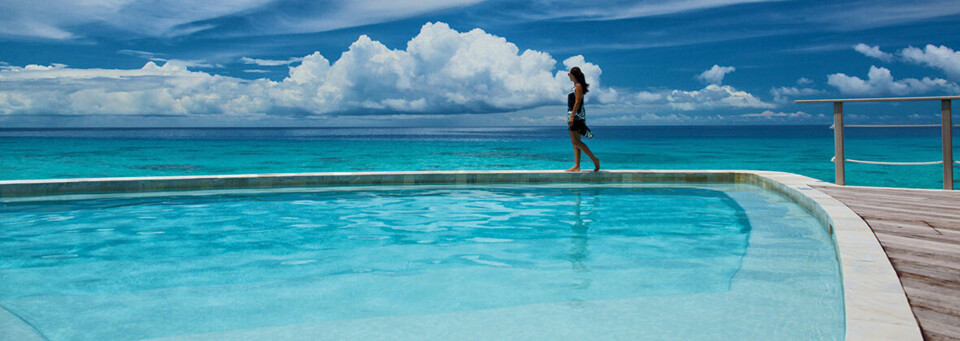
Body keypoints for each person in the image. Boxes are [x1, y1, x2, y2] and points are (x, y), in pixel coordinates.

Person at [565, 67, 600, 172]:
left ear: (574, 75)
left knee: (575, 142)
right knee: (576, 142)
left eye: (570, 73)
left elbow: (577, 102)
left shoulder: (578, 87)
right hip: (573, 115)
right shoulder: (575, 86)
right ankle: (577, 166)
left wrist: (572, 116)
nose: (568, 75)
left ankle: (595, 160)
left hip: (576, 116)